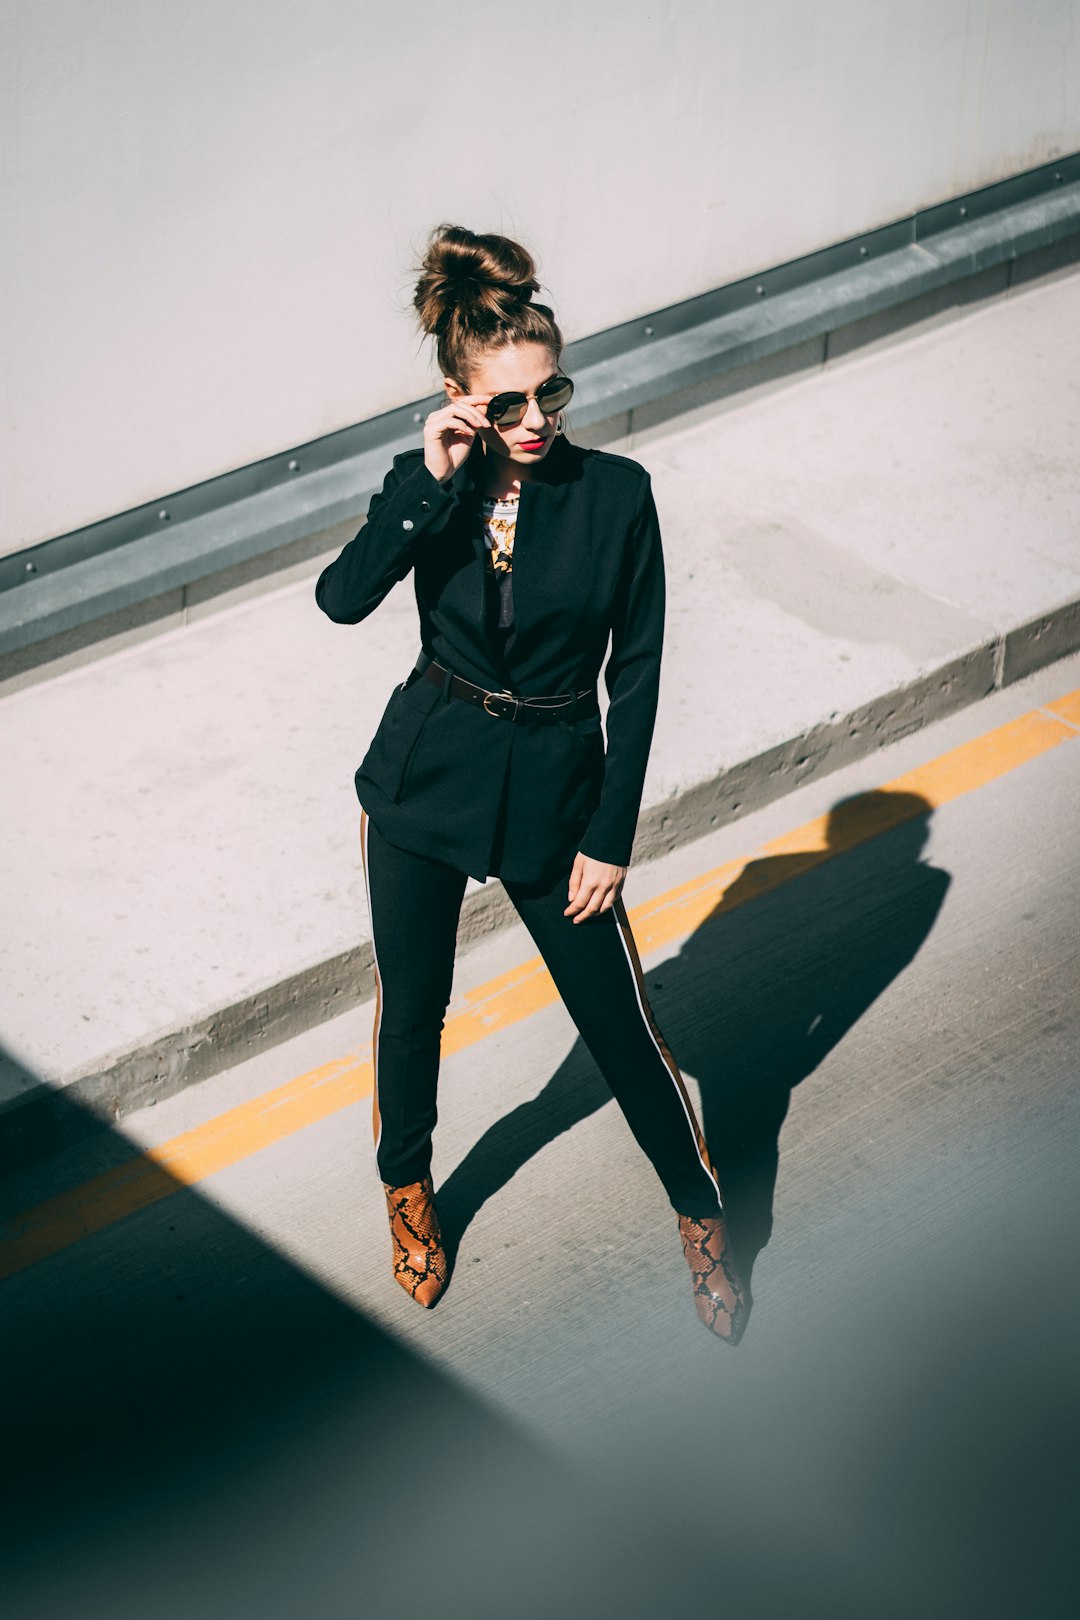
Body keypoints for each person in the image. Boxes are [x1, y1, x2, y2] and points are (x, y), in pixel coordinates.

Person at [315, 224, 747, 1343]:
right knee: (412, 1013)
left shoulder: (616, 494)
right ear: (460, 398)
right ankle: (407, 1188)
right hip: (426, 775)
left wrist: (612, 835)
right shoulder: (433, 488)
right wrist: (428, 476)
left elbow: (638, 676)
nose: (538, 420)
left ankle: (699, 1210)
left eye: (550, 391)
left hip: (558, 794)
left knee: (617, 1024)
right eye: (507, 404)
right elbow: (342, 598)